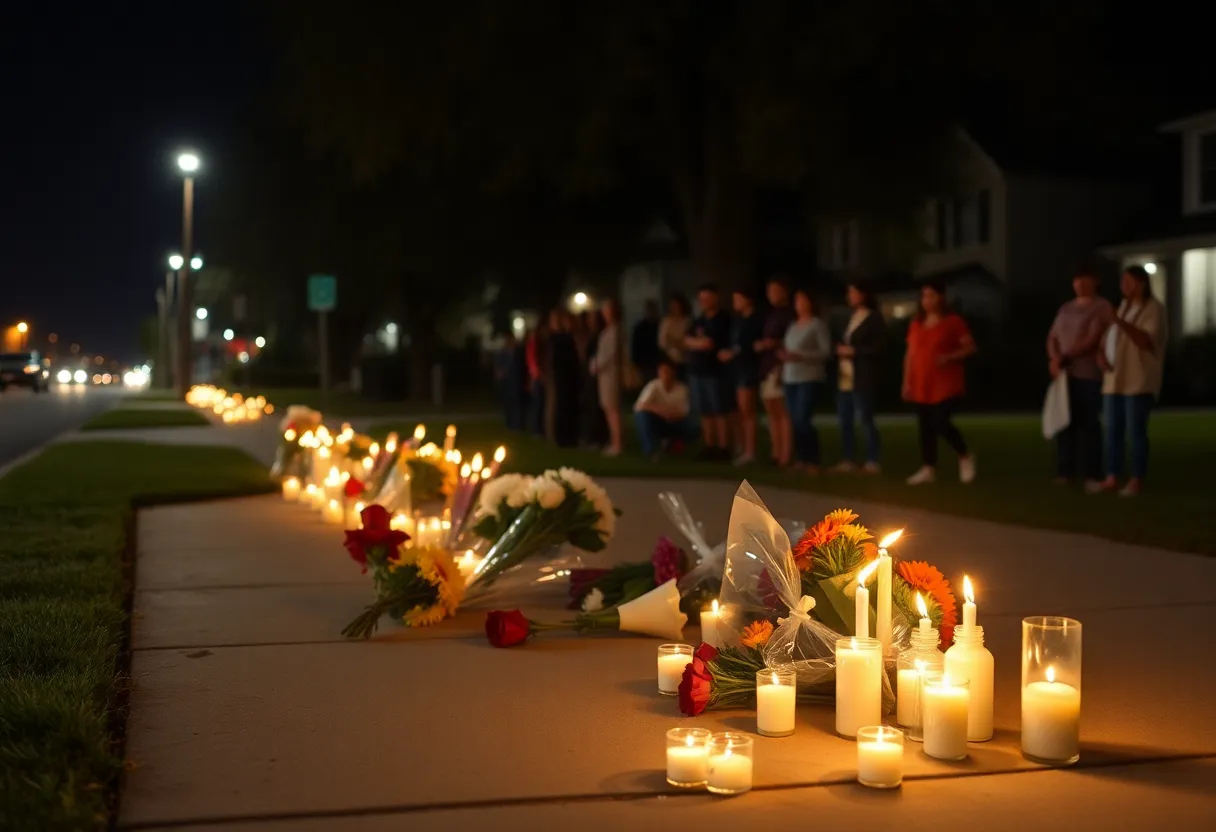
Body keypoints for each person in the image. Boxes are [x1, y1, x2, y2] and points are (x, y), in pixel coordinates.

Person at [1096, 265, 1167, 496]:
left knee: (1135, 431)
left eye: (1128, 282)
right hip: (1114, 379)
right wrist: (1101, 355)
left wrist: (1120, 321)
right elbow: (1109, 335)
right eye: (1122, 282)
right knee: (1112, 430)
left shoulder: (1153, 309)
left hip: (1138, 381)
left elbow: (1146, 340)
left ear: (1141, 283)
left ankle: (1137, 479)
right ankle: (1112, 476)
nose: (1123, 287)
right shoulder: (1123, 307)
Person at [902, 280, 978, 485]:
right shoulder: (917, 323)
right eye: (924, 296)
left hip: (944, 383)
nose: (927, 300)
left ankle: (964, 455)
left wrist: (949, 356)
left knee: (940, 422)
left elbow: (970, 347)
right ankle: (928, 467)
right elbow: (910, 353)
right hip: (921, 382)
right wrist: (906, 381)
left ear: (941, 298)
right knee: (924, 426)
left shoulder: (953, 322)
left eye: (931, 296)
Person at [1047, 266, 1114, 488]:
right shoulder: (1066, 308)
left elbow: (1093, 338)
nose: (1079, 284)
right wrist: (1055, 358)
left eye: (1084, 280)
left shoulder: (1101, 307)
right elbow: (1053, 336)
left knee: (1089, 424)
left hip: (1087, 373)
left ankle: (1092, 472)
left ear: (1095, 281)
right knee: (1066, 423)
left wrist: (1067, 356)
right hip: (1065, 375)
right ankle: (1066, 471)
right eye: (1077, 280)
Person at [832, 283, 885, 473]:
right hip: (846, 374)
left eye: (854, 292)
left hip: (864, 375)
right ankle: (848, 458)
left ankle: (873, 459)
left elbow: (879, 347)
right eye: (849, 293)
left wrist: (856, 351)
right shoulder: (850, 317)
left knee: (865, 417)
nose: (851, 296)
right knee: (845, 417)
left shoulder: (874, 318)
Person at [780, 289, 831, 472]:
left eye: (802, 300)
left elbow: (825, 352)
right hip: (790, 377)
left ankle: (813, 459)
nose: (799, 304)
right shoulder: (793, 326)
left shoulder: (817, 325)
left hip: (808, 376)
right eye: (797, 301)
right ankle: (801, 458)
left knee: (803, 418)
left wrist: (801, 356)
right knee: (795, 419)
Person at [684, 284, 733, 460]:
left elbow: (709, 343)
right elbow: (687, 339)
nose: (703, 302)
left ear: (716, 298)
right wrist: (697, 343)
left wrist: (697, 343)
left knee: (719, 409)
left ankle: (723, 447)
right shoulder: (699, 321)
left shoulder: (723, 319)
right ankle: (709, 445)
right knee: (704, 410)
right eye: (701, 299)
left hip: (716, 372)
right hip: (698, 370)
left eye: (707, 298)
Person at [756, 277, 795, 466]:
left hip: (777, 365)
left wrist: (772, 344)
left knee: (781, 410)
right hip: (766, 365)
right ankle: (775, 451)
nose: (771, 294)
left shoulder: (788, 315)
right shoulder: (771, 314)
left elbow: (789, 340)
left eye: (774, 290)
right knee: (771, 409)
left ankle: (785, 454)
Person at [721, 288, 763, 465]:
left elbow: (751, 345)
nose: (735, 302)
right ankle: (741, 446)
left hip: (748, 367)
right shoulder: (737, 321)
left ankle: (750, 451)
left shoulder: (755, 320)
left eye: (738, 299)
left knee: (748, 410)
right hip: (736, 368)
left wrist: (734, 353)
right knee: (738, 410)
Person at [633, 358, 691, 459]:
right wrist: (662, 411)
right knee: (641, 416)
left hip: (675, 421)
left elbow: (683, 412)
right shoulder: (653, 386)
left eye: (667, 372)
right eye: (661, 372)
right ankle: (650, 450)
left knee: (693, 425)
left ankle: (674, 443)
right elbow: (639, 405)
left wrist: (670, 414)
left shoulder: (682, 389)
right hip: (658, 420)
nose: (664, 375)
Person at [592, 299, 624, 456]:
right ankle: (614, 442)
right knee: (608, 408)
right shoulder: (607, 331)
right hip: (604, 374)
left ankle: (617, 444)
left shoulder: (615, 331)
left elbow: (610, 354)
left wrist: (598, 365)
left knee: (613, 409)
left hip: (610, 374)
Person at [547, 309, 580, 448]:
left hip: (567, 377)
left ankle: (567, 436)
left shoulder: (565, 337)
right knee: (561, 407)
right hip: (561, 377)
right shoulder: (556, 339)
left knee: (566, 407)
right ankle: (561, 437)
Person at [524, 321, 549, 436]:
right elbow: (533, 361)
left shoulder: (534, 343)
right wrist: (538, 375)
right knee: (538, 404)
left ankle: (537, 428)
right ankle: (537, 429)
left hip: (536, 377)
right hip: (537, 378)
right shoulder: (535, 343)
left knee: (538, 404)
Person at [658, 293, 691, 378]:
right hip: (669, 359)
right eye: (674, 305)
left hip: (685, 360)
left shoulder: (687, 321)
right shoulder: (667, 322)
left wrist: (674, 340)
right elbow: (663, 342)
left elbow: (688, 342)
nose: (676, 308)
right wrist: (678, 342)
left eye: (678, 305)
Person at [631, 299, 661, 384]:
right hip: (644, 364)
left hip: (656, 362)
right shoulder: (640, 328)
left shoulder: (659, 325)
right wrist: (635, 364)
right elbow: (635, 346)